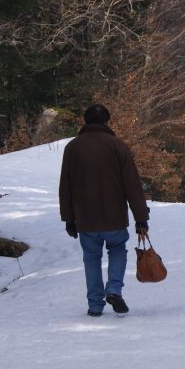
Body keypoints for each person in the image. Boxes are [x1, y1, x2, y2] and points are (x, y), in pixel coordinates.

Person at [59, 104, 150, 316]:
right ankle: (114, 289)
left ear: (85, 121)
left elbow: (66, 186)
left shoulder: (72, 148)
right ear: (106, 121)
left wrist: (69, 218)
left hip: (86, 219)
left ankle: (94, 306)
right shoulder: (117, 146)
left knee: (91, 258)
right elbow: (132, 185)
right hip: (114, 218)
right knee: (117, 250)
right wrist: (140, 218)